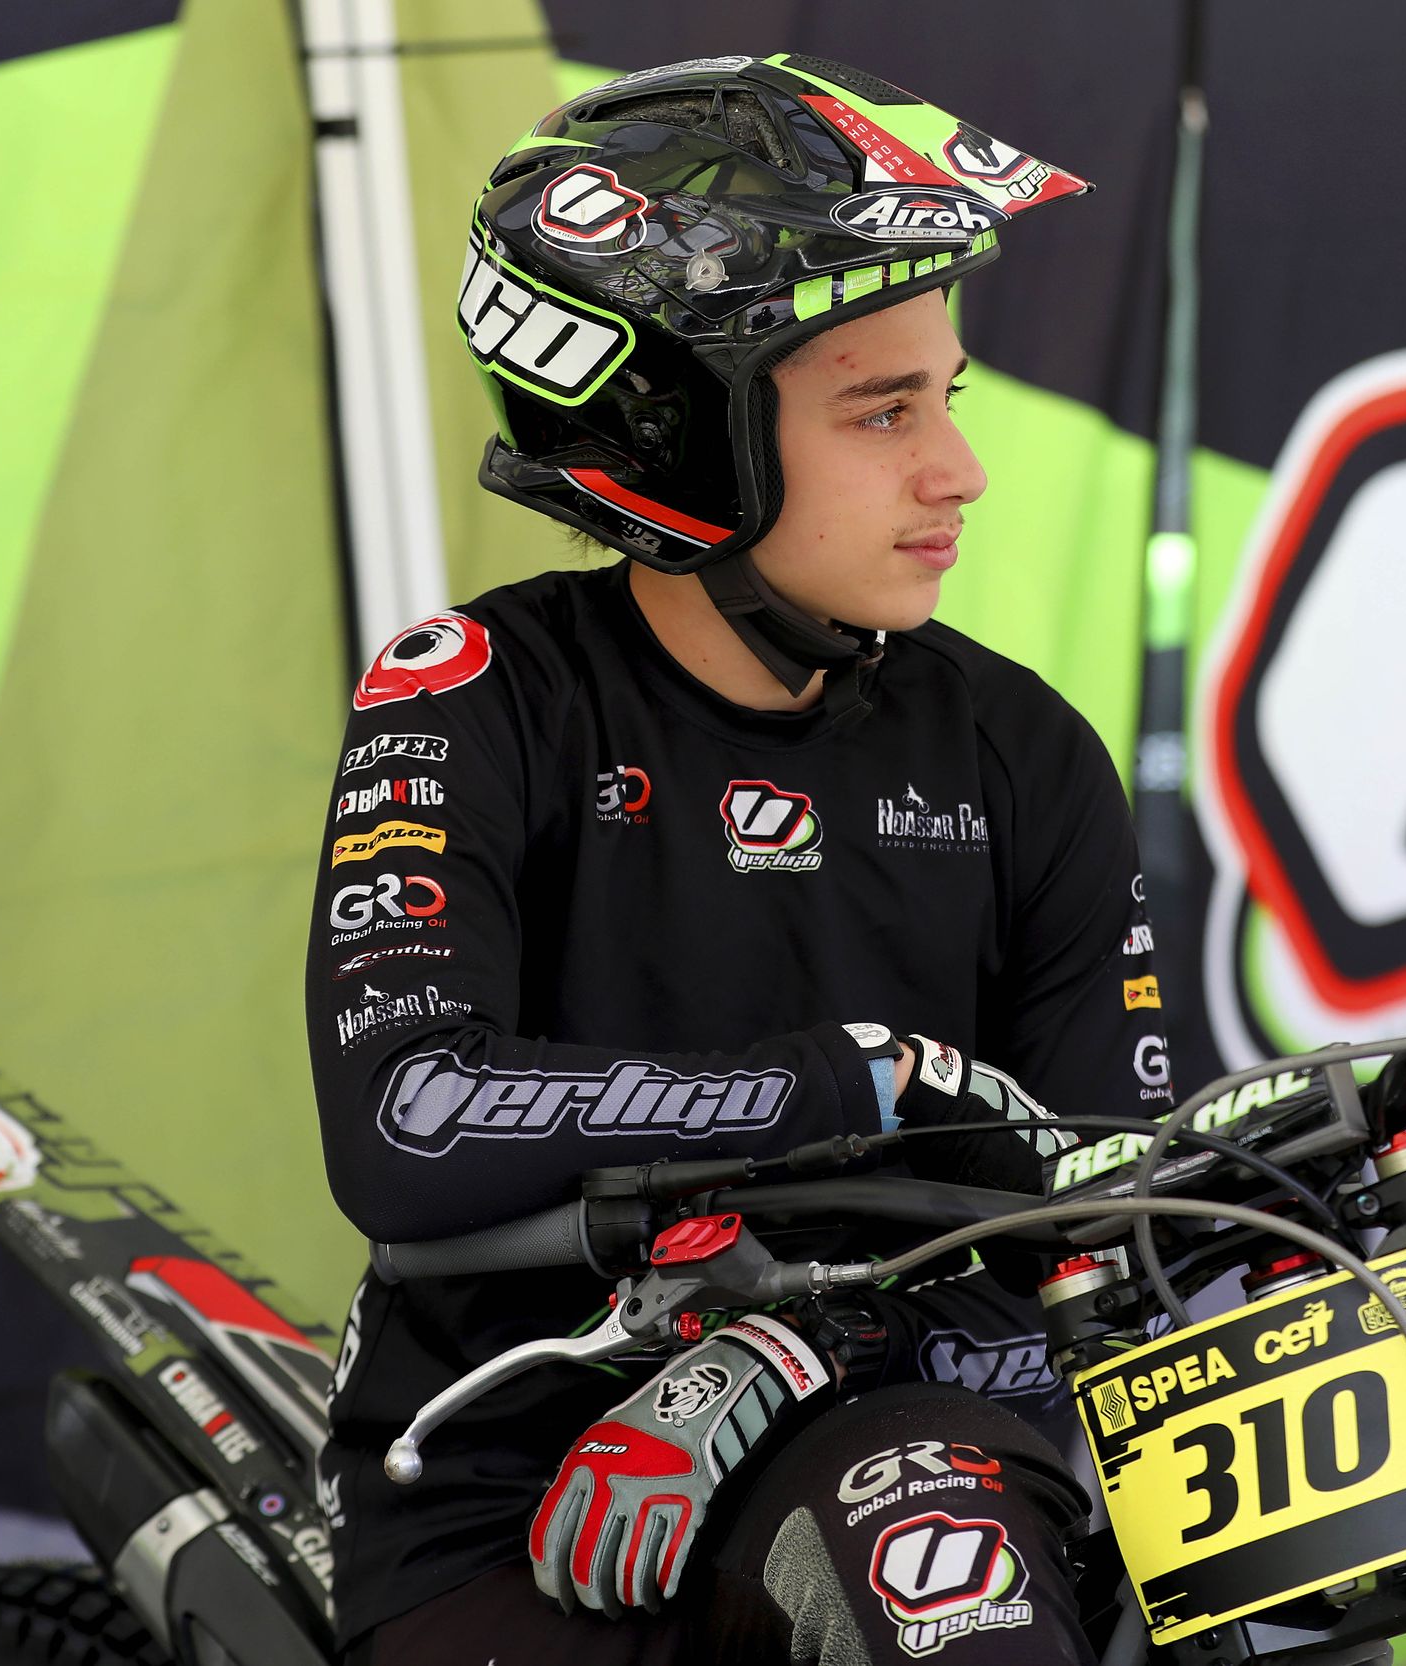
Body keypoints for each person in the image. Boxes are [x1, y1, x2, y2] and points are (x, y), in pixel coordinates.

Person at [303, 54, 1167, 1665]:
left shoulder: (1024, 752)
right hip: (510, 1494)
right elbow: (407, 1120)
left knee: (980, 1563)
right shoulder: (476, 698)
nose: (957, 470)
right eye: (883, 411)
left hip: (896, 1430)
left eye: (948, 398)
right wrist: (842, 1084)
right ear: (681, 435)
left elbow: (1094, 1211)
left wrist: (803, 1344)